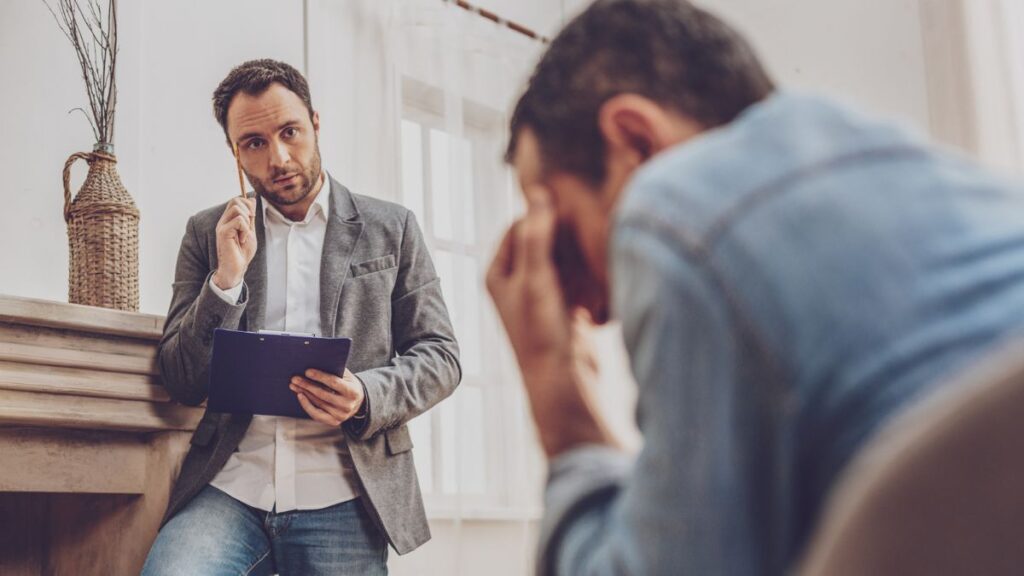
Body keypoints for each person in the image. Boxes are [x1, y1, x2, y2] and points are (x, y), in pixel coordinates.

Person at [485, 1, 1024, 574]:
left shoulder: (672, 202)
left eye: (562, 247)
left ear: (636, 144)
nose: (588, 311)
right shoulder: (922, 172)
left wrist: (558, 400)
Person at [143, 59, 461, 575]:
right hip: (229, 488)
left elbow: (441, 357)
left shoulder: (392, 228)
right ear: (234, 152)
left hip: (345, 493)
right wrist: (225, 282)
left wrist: (367, 394)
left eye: (289, 131)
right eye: (254, 143)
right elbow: (181, 380)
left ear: (315, 122)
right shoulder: (208, 233)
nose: (279, 157)